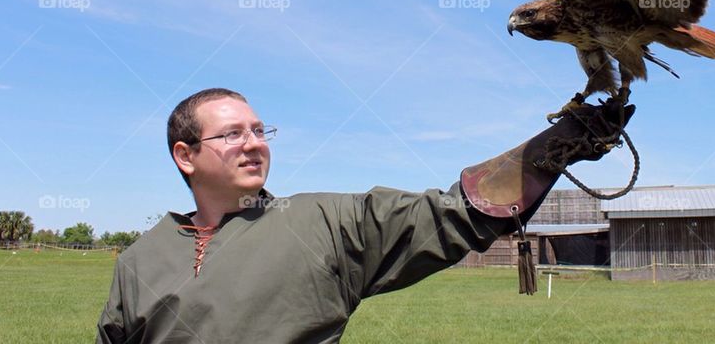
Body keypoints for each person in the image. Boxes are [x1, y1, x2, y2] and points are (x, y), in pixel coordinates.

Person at [96, 87, 633, 343]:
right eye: (232, 134)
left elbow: (452, 214)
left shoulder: (323, 223)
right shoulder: (140, 260)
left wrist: (552, 147)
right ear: (185, 155)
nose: (253, 144)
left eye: (261, 131)